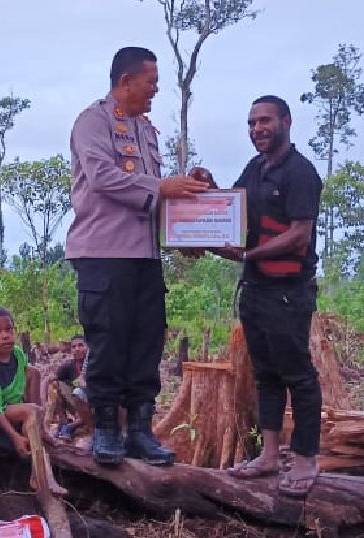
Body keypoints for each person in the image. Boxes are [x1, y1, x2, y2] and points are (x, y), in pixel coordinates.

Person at [67, 46, 209, 467]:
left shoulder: (146, 130)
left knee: (146, 341)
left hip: (145, 256)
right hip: (103, 253)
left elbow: (152, 193)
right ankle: (107, 430)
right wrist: (164, 187)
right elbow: (103, 177)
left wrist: (191, 203)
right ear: (127, 80)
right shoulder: (93, 121)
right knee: (108, 343)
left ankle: (142, 431)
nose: (156, 89)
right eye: (151, 82)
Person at [189, 95, 324, 498]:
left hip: (288, 291)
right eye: (251, 124)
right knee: (265, 373)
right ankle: (268, 455)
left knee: (297, 374)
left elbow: (300, 233)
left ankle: (304, 458)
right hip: (256, 289)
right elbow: (236, 210)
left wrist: (249, 254)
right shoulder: (255, 168)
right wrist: (208, 189)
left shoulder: (300, 172)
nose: (257, 129)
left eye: (264, 121)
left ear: (286, 121)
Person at [0, 305, 66, 495]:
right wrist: (15, 437)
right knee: (32, 412)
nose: (5, 336)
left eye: (8, 329)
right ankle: (38, 476)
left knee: (34, 372)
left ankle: (38, 427)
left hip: (13, 406)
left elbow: (26, 376)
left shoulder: (17, 354)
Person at [53, 335, 88, 440]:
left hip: (94, 403)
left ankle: (70, 427)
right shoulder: (67, 366)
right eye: (74, 347)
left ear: (88, 347)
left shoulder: (95, 363)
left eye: (81, 345)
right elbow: (50, 379)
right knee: (56, 385)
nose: (77, 349)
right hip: (77, 402)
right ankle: (63, 422)